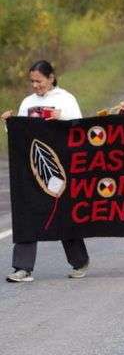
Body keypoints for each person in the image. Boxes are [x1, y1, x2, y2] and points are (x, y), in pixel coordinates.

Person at [3, 60, 89, 283]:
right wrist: (8, 124)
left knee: (62, 213)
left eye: (39, 81)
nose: (35, 86)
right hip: (31, 168)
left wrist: (60, 117)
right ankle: (22, 268)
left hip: (61, 166)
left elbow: (79, 130)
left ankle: (79, 261)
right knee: (27, 215)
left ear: (51, 78)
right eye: (32, 81)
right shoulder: (27, 102)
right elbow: (20, 135)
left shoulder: (66, 100)